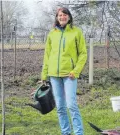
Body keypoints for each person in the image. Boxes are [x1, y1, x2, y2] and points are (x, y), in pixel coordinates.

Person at [41, 7, 87, 135]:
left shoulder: (76, 32)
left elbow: (83, 54)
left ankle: (79, 133)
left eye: (65, 15)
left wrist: (76, 71)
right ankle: (65, 132)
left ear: (69, 17)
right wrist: (44, 75)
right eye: (60, 15)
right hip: (54, 75)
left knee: (71, 105)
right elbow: (47, 55)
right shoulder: (52, 34)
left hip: (70, 75)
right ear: (57, 17)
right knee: (60, 107)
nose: (62, 17)